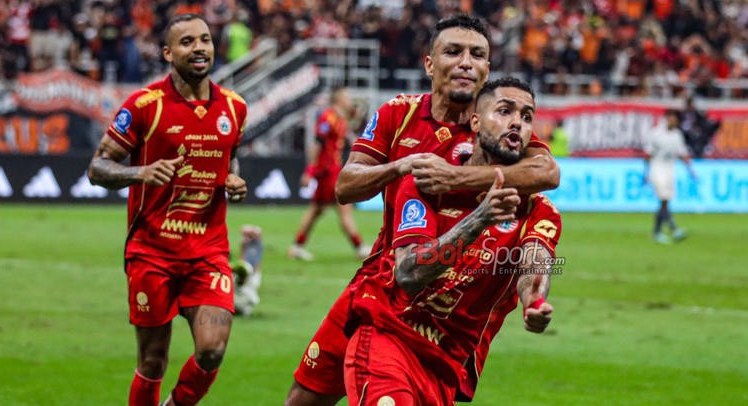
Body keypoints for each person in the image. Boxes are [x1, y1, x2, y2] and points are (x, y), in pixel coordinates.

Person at [285, 15, 560, 406]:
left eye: (477, 55)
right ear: (429, 64)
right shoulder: (400, 113)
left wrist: (455, 178)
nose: (466, 62)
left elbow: (547, 173)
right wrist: (400, 166)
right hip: (385, 283)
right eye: (454, 52)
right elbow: (346, 186)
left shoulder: (499, 123)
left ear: (487, 69)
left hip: (446, 319)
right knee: (303, 400)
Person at [344, 78, 561, 404]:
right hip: (389, 337)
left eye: (527, 116)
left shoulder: (539, 210)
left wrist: (534, 299)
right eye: (504, 111)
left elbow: (535, 263)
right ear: (475, 122)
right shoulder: (427, 184)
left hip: (445, 364)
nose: (517, 121)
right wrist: (479, 220)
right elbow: (409, 273)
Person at [87, 14, 247, 406]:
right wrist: (140, 172)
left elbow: (231, 156)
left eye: (205, 39)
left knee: (212, 350)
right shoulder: (145, 105)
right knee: (153, 360)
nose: (199, 48)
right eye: (187, 42)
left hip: (208, 252)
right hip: (152, 253)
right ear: (167, 53)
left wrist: (233, 178)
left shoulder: (235, 107)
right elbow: (97, 167)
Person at [288, 86, 369, 261]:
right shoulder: (327, 118)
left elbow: (349, 135)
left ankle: (297, 246)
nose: (349, 100)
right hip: (328, 172)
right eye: (346, 97)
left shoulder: (339, 119)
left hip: (333, 171)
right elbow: (317, 145)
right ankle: (360, 247)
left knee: (316, 210)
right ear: (338, 99)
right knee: (343, 208)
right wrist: (309, 171)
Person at [644, 109, 696, 244]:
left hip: (669, 169)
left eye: (676, 120)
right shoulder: (656, 133)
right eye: (672, 118)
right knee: (664, 199)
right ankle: (673, 229)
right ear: (666, 118)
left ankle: (657, 232)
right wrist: (646, 173)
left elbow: (682, 154)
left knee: (665, 202)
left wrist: (691, 171)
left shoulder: (677, 135)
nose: (674, 121)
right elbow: (648, 154)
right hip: (657, 167)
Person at [232, 224, 263, 316]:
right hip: (241, 303)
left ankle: (251, 241)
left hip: (236, 303)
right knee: (251, 276)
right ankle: (254, 241)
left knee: (247, 274)